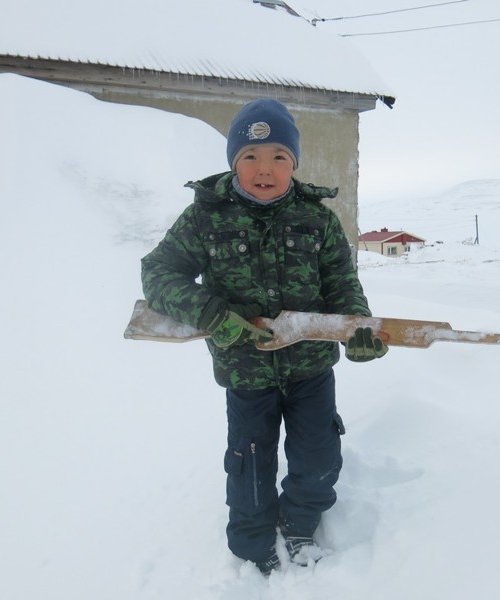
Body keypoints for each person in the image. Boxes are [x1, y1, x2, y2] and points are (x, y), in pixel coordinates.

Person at [140, 98, 388, 575]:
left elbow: (341, 284)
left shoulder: (317, 220)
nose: (264, 169)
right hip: (245, 370)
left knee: (318, 458)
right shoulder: (205, 219)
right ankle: (253, 547)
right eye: (250, 157)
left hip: (311, 368)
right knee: (250, 466)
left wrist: (357, 324)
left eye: (279, 156)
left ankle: (300, 524)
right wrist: (213, 314)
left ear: (293, 163)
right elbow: (157, 274)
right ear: (234, 162)